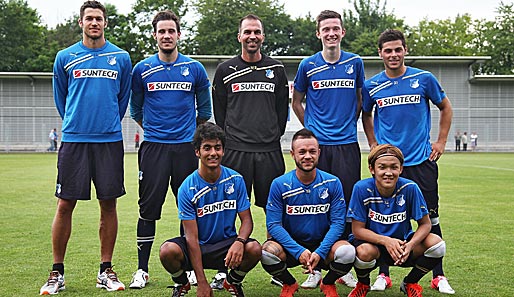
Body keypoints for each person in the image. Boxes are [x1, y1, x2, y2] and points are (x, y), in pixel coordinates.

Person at [39, 0, 131, 295]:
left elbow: (122, 99)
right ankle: (57, 273)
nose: (94, 23)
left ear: (105, 23)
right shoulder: (65, 57)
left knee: (109, 203)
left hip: (109, 140)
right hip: (75, 140)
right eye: (89, 18)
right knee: (65, 204)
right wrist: (78, 122)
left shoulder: (121, 57)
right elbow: (61, 99)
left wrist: (105, 123)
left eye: (99, 19)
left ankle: (106, 270)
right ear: (81, 22)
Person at [361, 29, 455, 294]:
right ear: (380, 53)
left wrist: (441, 142)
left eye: (397, 49)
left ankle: (439, 275)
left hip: (419, 161)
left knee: (431, 218)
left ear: (405, 50)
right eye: (388, 50)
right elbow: (365, 115)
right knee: (383, 218)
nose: (393, 54)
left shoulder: (423, 78)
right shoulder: (372, 85)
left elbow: (446, 107)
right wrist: (373, 144)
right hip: (387, 165)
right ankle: (383, 274)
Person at [128, 10, 212, 289]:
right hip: (153, 148)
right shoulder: (141, 69)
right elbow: (136, 109)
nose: (166, 36)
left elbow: (204, 112)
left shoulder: (195, 69)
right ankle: (142, 270)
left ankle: (188, 267)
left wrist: (187, 136)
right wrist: (156, 130)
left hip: (186, 150)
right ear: (155, 35)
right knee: (148, 208)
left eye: (171, 31)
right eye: (161, 31)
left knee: (188, 208)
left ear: (179, 34)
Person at [212, 13, 289, 289]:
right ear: (239, 36)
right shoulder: (225, 70)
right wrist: (233, 140)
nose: (252, 37)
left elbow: (282, 111)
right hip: (236, 152)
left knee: (273, 210)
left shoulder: (277, 69)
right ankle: (224, 268)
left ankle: (275, 266)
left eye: (257, 32)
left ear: (263, 36)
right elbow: (220, 112)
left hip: (269, 150)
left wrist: (269, 135)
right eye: (247, 32)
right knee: (228, 209)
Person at [291, 9, 364, 289]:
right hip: (318, 146)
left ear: (342, 32)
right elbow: (297, 101)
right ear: (318, 33)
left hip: (346, 145)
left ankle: (342, 266)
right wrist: (310, 128)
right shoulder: (308, 65)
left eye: (336, 28)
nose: (331, 33)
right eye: (326, 29)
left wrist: (346, 122)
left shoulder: (355, 63)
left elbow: (360, 100)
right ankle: (315, 268)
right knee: (316, 206)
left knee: (344, 205)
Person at [159, 122, 262, 297]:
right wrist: (202, 282)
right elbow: (191, 237)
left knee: (254, 249)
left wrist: (239, 241)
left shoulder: (236, 180)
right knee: (167, 251)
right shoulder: (187, 187)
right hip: (198, 246)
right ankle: (182, 283)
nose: (213, 153)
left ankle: (233, 282)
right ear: (197, 152)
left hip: (226, 246)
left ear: (223, 150)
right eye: (207, 148)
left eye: (217, 148)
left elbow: (247, 221)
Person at [261, 128, 356, 297]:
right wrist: (298, 251)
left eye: (312, 151)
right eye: (302, 152)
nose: (307, 156)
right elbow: (273, 225)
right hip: (291, 246)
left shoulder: (332, 182)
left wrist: (320, 251)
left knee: (348, 252)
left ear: (319, 152)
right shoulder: (279, 184)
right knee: (266, 252)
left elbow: (338, 223)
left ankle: (327, 283)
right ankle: (289, 283)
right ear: (292, 154)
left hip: (324, 246)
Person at [347, 144, 447, 297]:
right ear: (372, 169)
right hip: (374, 246)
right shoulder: (361, 188)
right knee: (363, 252)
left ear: (401, 169)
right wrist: (386, 241)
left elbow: (426, 224)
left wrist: (411, 244)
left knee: (437, 245)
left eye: (394, 167)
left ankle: (410, 282)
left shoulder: (410, 188)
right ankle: (363, 284)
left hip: (402, 245)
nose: (388, 173)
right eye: (382, 167)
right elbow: (357, 230)